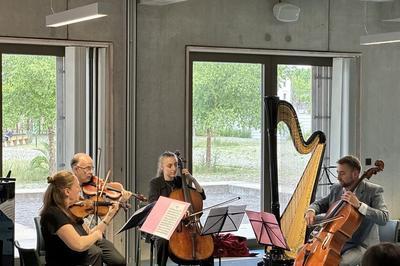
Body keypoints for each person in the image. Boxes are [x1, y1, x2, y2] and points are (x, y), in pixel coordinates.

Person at [304, 155, 389, 266]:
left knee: (338, 263)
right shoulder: (336, 188)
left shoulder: (373, 191)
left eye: (342, 173)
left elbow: (384, 217)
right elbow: (319, 204)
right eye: (337, 172)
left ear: (355, 173)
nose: (338, 177)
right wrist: (311, 210)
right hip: (335, 242)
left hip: (361, 245)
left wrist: (359, 205)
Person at [40, 170, 119, 266]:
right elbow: (79, 244)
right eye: (77, 186)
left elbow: (89, 234)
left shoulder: (70, 211)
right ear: (67, 191)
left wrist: (110, 215)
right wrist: (97, 235)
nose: (80, 190)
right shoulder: (54, 214)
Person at [148, 151, 213, 266]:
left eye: (176, 164)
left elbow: (201, 195)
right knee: (162, 240)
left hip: (186, 224)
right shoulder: (155, 183)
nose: (174, 168)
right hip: (164, 223)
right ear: (162, 167)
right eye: (169, 165)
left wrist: (192, 179)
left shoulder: (180, 181)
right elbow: (154, 205)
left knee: (207, 238)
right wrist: (177, 211)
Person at [71, 153, 131, 266]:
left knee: (119, 261)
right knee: (95, 254)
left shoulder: (96, 189)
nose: (91, 172)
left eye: (92, 168)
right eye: (87, 168)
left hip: (96, 235)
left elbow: (105, 216)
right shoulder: (69, 190)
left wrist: (120, 202)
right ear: (76, 169)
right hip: (78, 237)